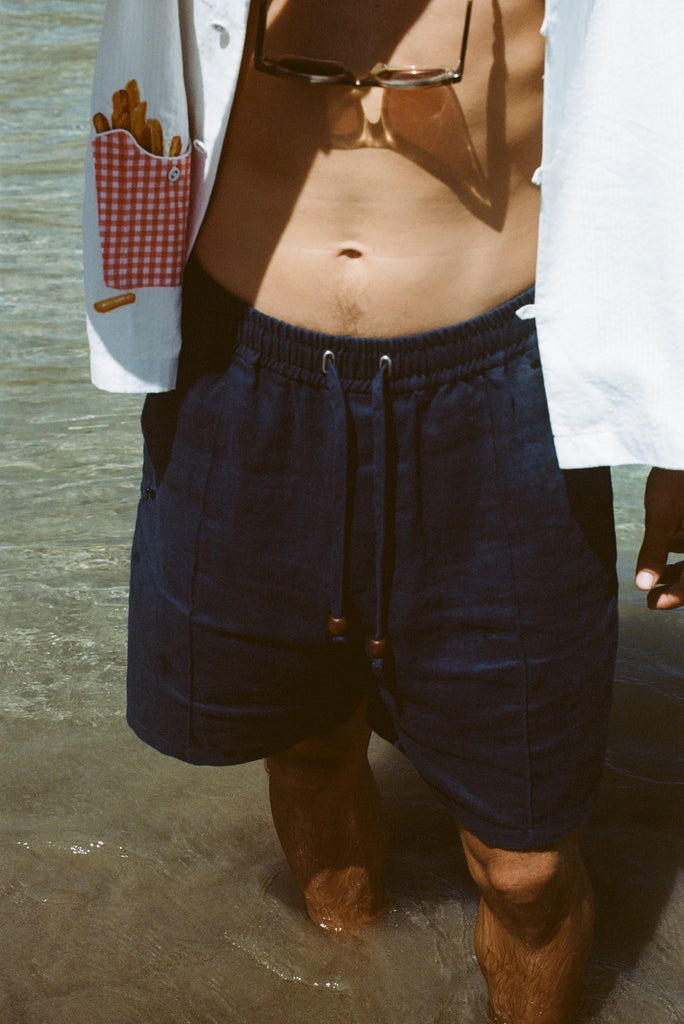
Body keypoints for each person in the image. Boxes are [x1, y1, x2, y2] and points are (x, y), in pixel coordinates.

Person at [83, 1, 684, 1021]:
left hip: (504, 380)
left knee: (526, 862)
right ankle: (353, 984)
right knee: (311, 745)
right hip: (245, 359)